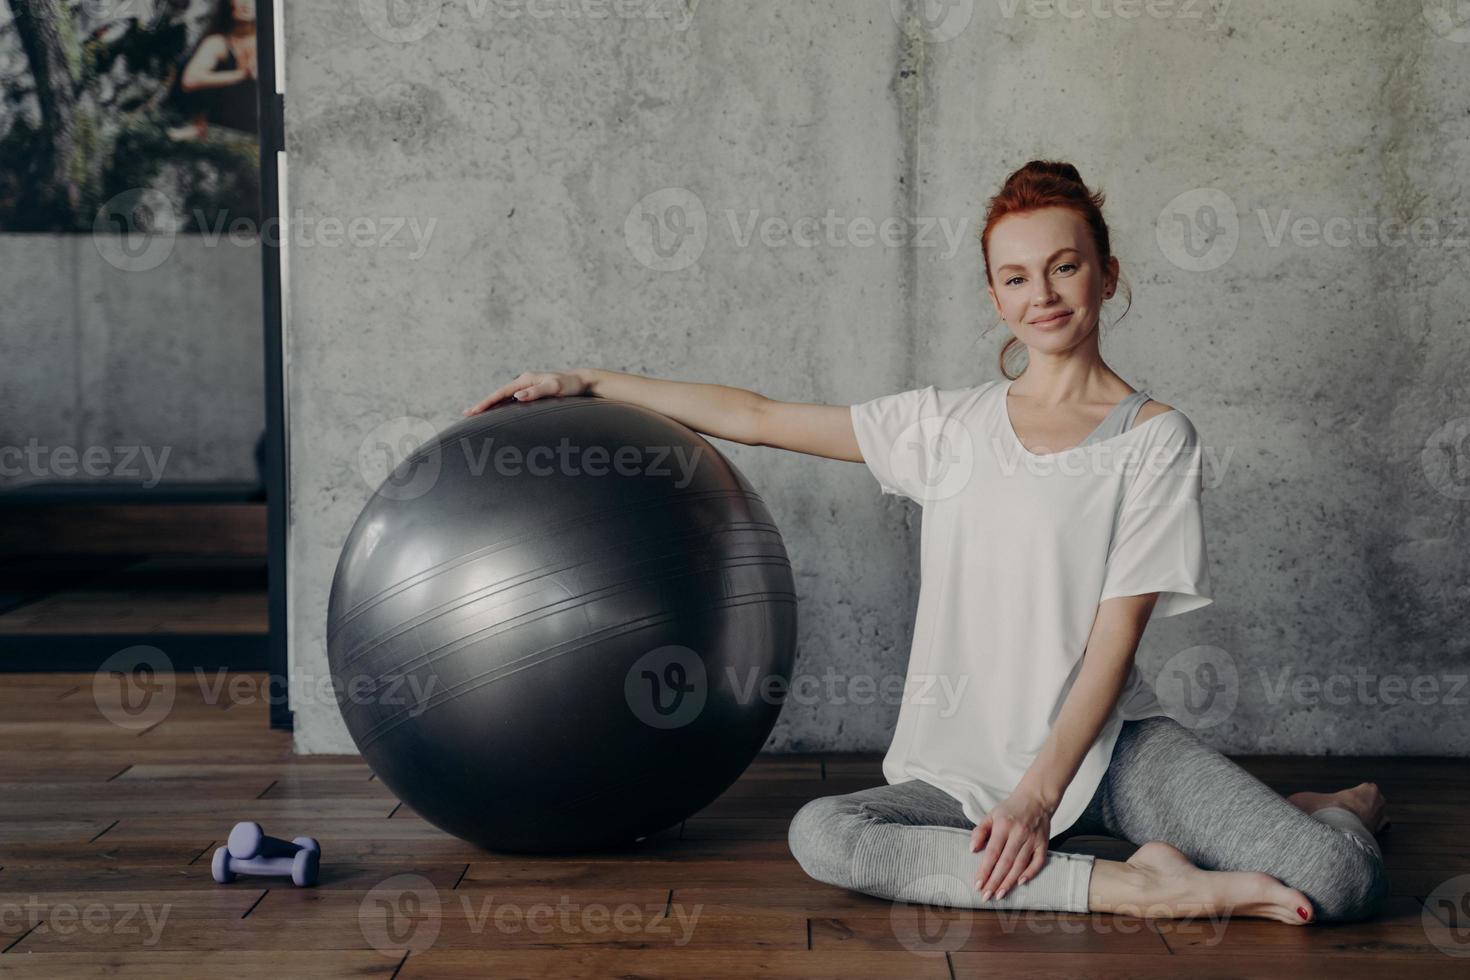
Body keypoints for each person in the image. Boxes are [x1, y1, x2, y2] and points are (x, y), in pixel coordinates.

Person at [459, 160, 1391, 925]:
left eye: (1065, 268)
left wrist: (1037, 798)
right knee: (827, 834)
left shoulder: (1155, 439)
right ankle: (1137, 888)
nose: (1044, 295)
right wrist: (588, 379)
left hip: (1111, 757)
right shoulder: (948, 428)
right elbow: (755, 414)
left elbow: (1114, 645)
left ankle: (1332, 813)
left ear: (1107, 273)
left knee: (1341, 881)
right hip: (961, 775)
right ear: (994, 294)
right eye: (1017, 277)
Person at [169, 0, 258, 140]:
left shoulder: (273, 42)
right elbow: (190, 80)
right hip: (224, 124)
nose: (245, 3)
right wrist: (242, 74)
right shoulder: (218, 42)